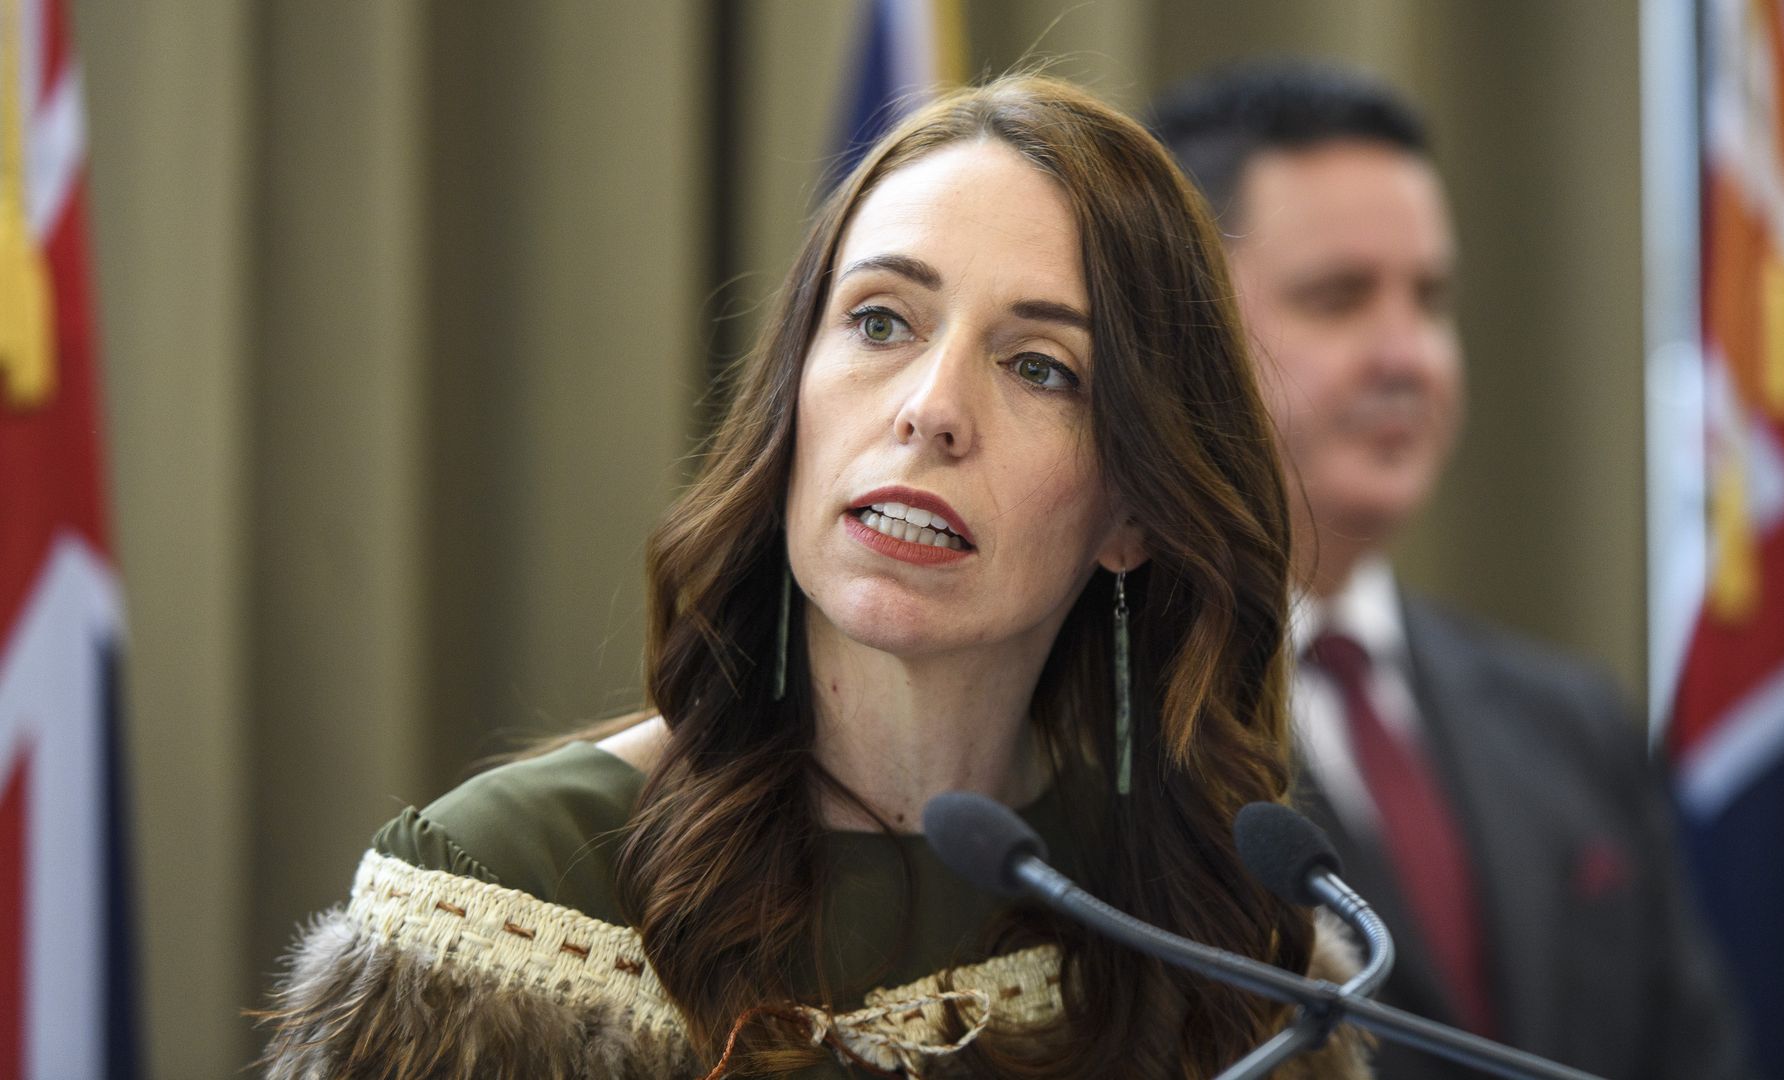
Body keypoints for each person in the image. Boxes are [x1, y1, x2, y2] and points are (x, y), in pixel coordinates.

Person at [256, 75, 1371, 1080]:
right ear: (794, 396)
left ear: (1133, 511)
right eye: (881, 320)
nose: (930, 408)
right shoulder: (507, 895)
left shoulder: (1202, 940)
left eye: (1041, 368)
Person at [1150, 63, 1754, 1080]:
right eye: (1339, 298)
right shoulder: (1106, 728)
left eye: (1429, 299)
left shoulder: (1573, 720)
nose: (1408, 355)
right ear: (1182, 332)